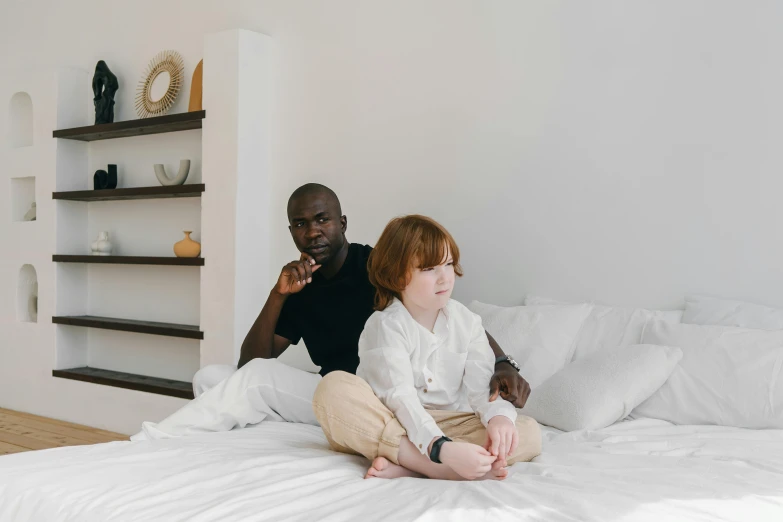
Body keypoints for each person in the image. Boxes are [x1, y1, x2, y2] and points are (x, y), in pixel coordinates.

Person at [131, 184, 530, 440]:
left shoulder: (378, 267)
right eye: (300, 224)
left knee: (245, 388)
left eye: (322, 220)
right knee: (211, 377)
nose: (312, 231)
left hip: (377, 393)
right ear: (291, 232)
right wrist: (278, 294)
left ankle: (158, 439)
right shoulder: (300, 285)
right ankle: (221, 441)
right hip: (335, 389)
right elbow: (251, 361)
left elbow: (450, 316)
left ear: (342, 223)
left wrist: (501, 361)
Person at [313, 215, 541, 480]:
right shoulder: (385, 325)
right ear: (397, 276)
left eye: (448, 264)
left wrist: (498, 418)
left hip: (450, 422)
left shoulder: (467, 321)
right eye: (429, 269)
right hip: (391, 421)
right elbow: (400, 398)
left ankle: (411, 465)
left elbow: (481, 389)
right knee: (333, 390)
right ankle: (435, 466)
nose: (445, 278)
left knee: (527, 432)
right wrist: (442, 450)